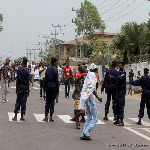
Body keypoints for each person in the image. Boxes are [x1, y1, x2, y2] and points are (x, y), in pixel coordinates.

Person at [79, 63, 102, 141]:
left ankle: (83, 134)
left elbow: (90, 87)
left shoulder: (89, 74)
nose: (97, 70)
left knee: (89, 117)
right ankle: (86, 133)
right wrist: (97, 97)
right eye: (97, 69)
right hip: (89, 98)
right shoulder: (93, 76)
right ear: (95, 69)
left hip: (86, 98)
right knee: (95, 118)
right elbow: (92, 88)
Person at [43, 58, 59, 122]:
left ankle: (46, 116)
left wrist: (44, 88)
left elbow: (45, 79)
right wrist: (57, 90)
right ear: (54, 62)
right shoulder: (56, 69)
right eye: (56, 62)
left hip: (48, 86)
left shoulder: (48, 68)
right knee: (52, 102)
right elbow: (56, 80)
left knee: (47, 102)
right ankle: (51, 117)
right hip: (54, 87)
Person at [71, 64, 86, 129]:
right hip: (77, 94)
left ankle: (77, 118)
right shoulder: (78, 75)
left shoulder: (85, 76)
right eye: (82, 68)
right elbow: (75, 79)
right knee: (77, 109)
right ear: (79, 69)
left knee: (81, 110)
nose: (84, 69)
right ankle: (77, 122)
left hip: (83, 95)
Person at [113, 62, 126, 126]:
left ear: (123, 66)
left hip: (122, 92)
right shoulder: (118, 73)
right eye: (119, 65)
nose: (120, 67)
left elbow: (119, 78)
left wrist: (114, 77)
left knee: (121, 106)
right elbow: (116, 79)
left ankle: (121, 120)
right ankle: (117, 119)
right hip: (118, 91)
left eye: (121, 65)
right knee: (117, 106)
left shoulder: (123, 73)